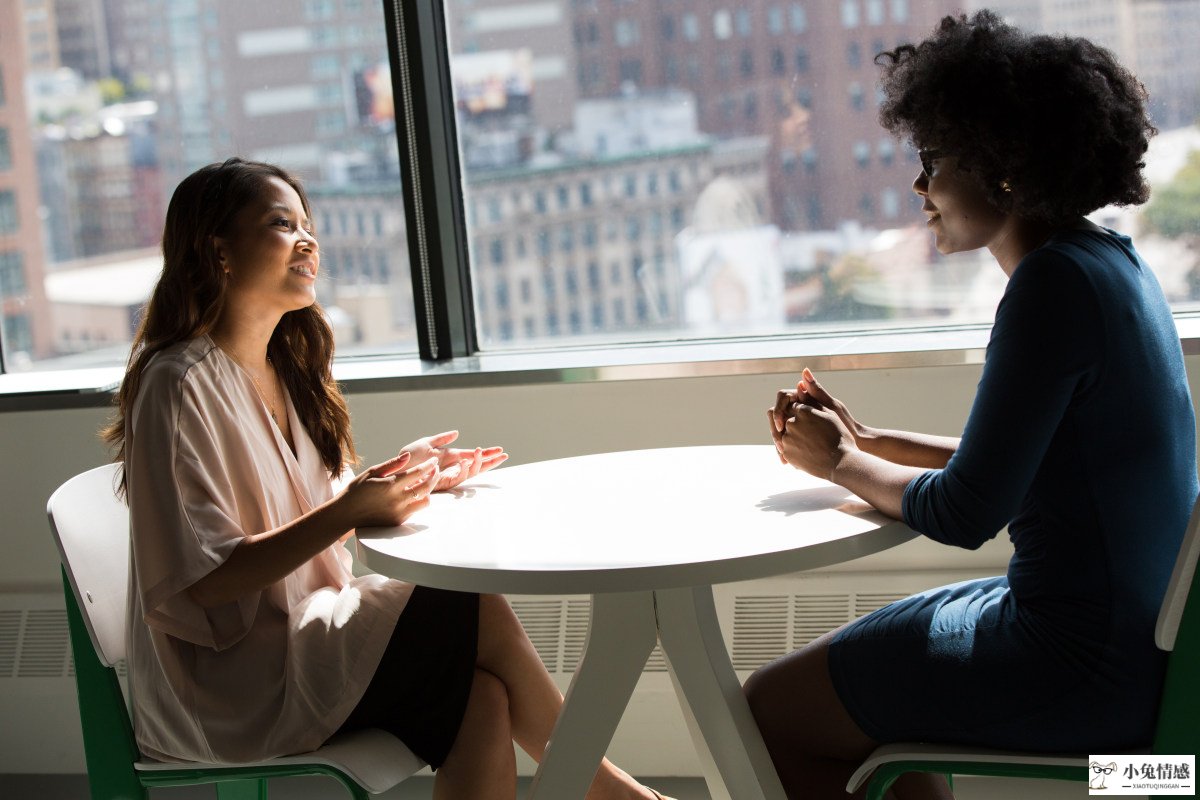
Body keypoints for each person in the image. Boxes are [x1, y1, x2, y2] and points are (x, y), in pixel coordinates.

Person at [103, 157, 673, 800]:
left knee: (481, 698)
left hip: (304, 639)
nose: (307, 240)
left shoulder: (285, 372)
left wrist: (406, 479)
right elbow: (205, 581)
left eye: (307, 224)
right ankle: (616, 794)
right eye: (281, 224)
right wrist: (350, 509)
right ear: (218, 250)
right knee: (469, 600)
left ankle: (612, 792)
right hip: (230, 688)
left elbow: (314, 508)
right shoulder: (177, 383)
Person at [743, 11, 1199, 800]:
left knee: (764, 709)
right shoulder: (1109, 264)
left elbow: (966, 513)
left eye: (934, 158)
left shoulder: (1049, 290)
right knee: (869, 681)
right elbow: (1036, 463)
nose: (920, 186)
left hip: (1081, 669)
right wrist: (874, 439)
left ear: (1003, 169)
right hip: (1145, 654)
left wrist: (841, 462)